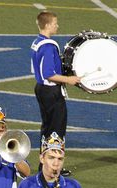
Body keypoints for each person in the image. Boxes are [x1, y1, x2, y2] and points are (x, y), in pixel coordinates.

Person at [31, 11, 81, 143]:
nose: (57, 26)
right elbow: (48, 74)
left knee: (47, 128)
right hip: (51, 91)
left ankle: (44, 162)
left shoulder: (37, 42)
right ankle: (52, 161)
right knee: (56, 130)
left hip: (41, 88)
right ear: (47, 25)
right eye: (54, 23)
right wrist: (69, 80)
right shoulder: (48, 46)